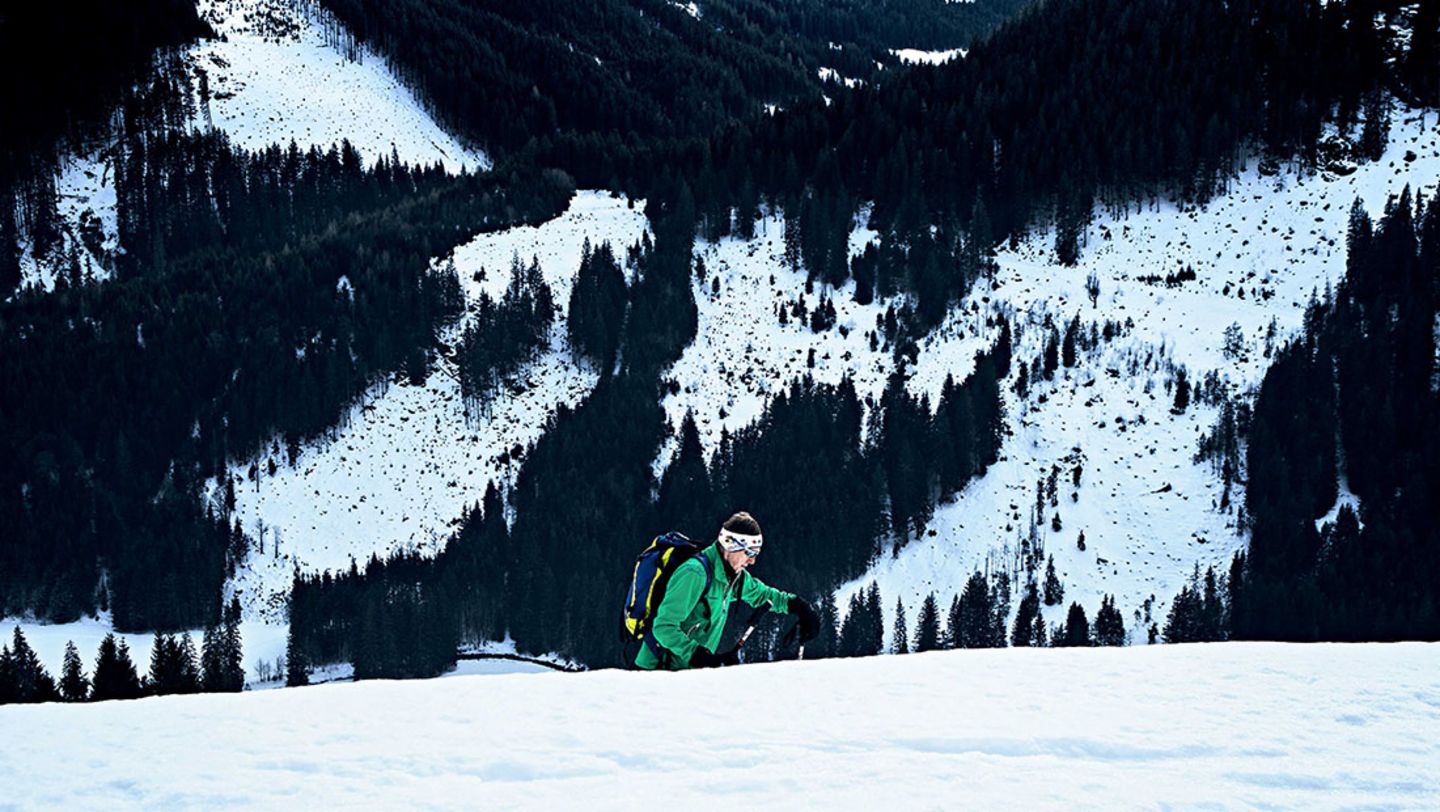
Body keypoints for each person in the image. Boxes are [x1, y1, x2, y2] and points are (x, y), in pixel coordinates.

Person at [635, 511, 821, 670]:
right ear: (731, 546)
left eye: (756, 553)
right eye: (749, 552)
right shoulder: (694, 574)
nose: (752, 561)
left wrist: (800, 607)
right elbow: (663, 627)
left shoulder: (733, 577)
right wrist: (700, 656)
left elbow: (763, 595)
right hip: (657, 673)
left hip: (688, 673)